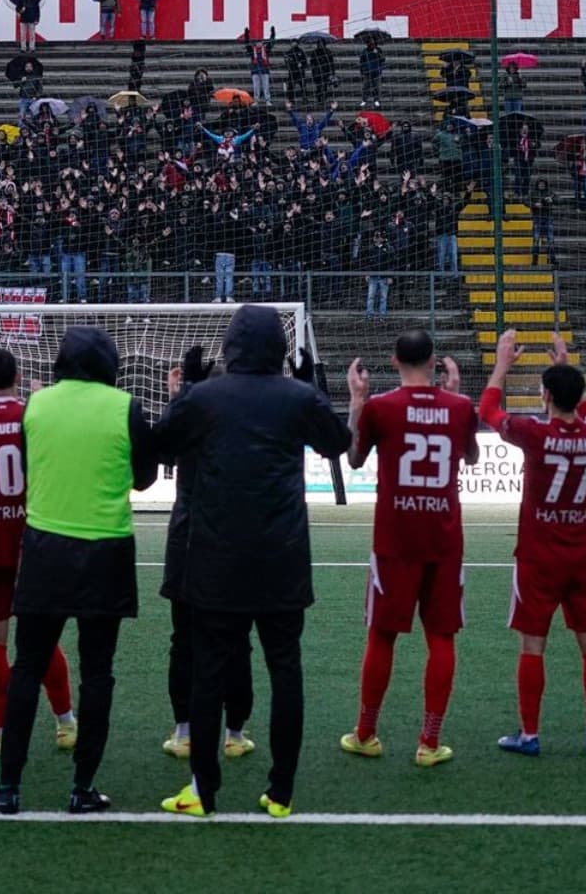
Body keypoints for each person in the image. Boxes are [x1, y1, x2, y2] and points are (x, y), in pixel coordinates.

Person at [154, 306, 350, 819]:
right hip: (282, 556)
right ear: (279, 349)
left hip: (216, 558)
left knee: (209, 670)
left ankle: (203, 789)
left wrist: (190, 386)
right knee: (285, 668)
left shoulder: (208, 396)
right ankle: (281, 792)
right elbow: (337, 442)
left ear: (231, 345)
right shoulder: (297, 396)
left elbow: (162, 446)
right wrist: (314, 385)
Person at [0, 327, 159, 816]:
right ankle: (82, 787)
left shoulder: (35, 406)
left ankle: (8, 787)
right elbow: (145, 480)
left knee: (26, 667)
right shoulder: (126, 407)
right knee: (97, 673)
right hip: (106, 550)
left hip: (45, 549)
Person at [341, 332, 477, 766]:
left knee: (381, 636)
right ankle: (429, 742)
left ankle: (366, 734)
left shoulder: (381, 407)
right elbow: (471, 456)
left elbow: (355, 458)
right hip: (442, 538)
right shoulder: (459, 408)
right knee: (442, 637)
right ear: (435, 361)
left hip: (395, 540)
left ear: (393, 359)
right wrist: (454, 396)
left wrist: (357, 399)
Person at [479, 332, 586, 757]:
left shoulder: (534, 434)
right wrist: (568, 366)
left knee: (533, 644)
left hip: (539, 556)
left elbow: (487, 410)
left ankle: (531, 735)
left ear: (548, 395)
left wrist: (502, 364)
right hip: (583, 554)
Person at [0, 351, 79, 759]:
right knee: (40, 638)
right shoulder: (32, 415)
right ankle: (66, 722)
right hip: (31, 540)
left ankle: (5, 731)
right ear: (19, 376)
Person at [158, 345, 257, 761]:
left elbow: (161, 444)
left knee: (184, 641)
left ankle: (184, 731)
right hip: (235, 542)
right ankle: (234, 733)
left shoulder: (188, 420)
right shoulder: (245, 424)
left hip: (188, 539)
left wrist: (180, 395)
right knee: (236, 641)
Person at [529, 178, 556, 266]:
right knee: (536, 239)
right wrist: (534, 205)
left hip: (548, 217)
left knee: (551, 239)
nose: (541, 185)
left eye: (543, 184)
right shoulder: (533, 193)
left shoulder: (550, 192)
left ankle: (552, 258)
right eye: (540, 184)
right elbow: (525, 201)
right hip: (537, 217)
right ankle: (535, 259)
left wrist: (552, 200)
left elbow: (560, 200)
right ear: (537, 184)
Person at [358, 39, 385, 110]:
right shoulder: (365, 51)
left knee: (377, 87)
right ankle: (364, 100)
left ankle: (376, 101)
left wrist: (377, 54)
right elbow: (361, 61)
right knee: (365, 87)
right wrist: (362, 71)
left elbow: (383, 59)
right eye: (370, 43)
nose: (372, 44)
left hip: (376, 72)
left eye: (373, 43)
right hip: (367, 72)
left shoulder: (378, 50)